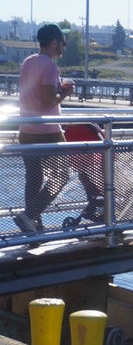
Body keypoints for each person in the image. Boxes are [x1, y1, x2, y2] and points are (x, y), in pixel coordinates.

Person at [15, 23, 75, 233]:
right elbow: (49, 101)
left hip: (26, 131)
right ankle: (29, 216)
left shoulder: (28, 62)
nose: (63, 47)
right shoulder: (50, 66)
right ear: (53, 43)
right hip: (48, 132)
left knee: (34, 178)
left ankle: (33, 224)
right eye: (62, 42)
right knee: (61, 176)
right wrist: (67, 92)